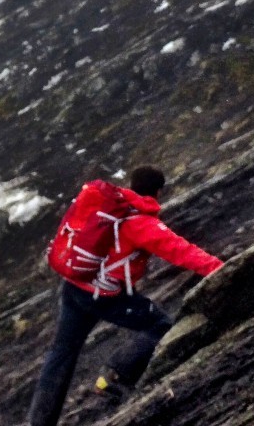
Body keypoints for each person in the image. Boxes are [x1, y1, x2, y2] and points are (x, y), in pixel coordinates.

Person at [27, 165, 223, 426]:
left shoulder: (111, 206)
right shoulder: (140, 222)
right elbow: (180, 250)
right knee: (160, 326)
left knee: (62, 351)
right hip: (102, 294)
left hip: (74, 285)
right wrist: (221, 269)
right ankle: (114, 377)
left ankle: (40, 421)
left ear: (132, 184)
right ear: (158, 191)